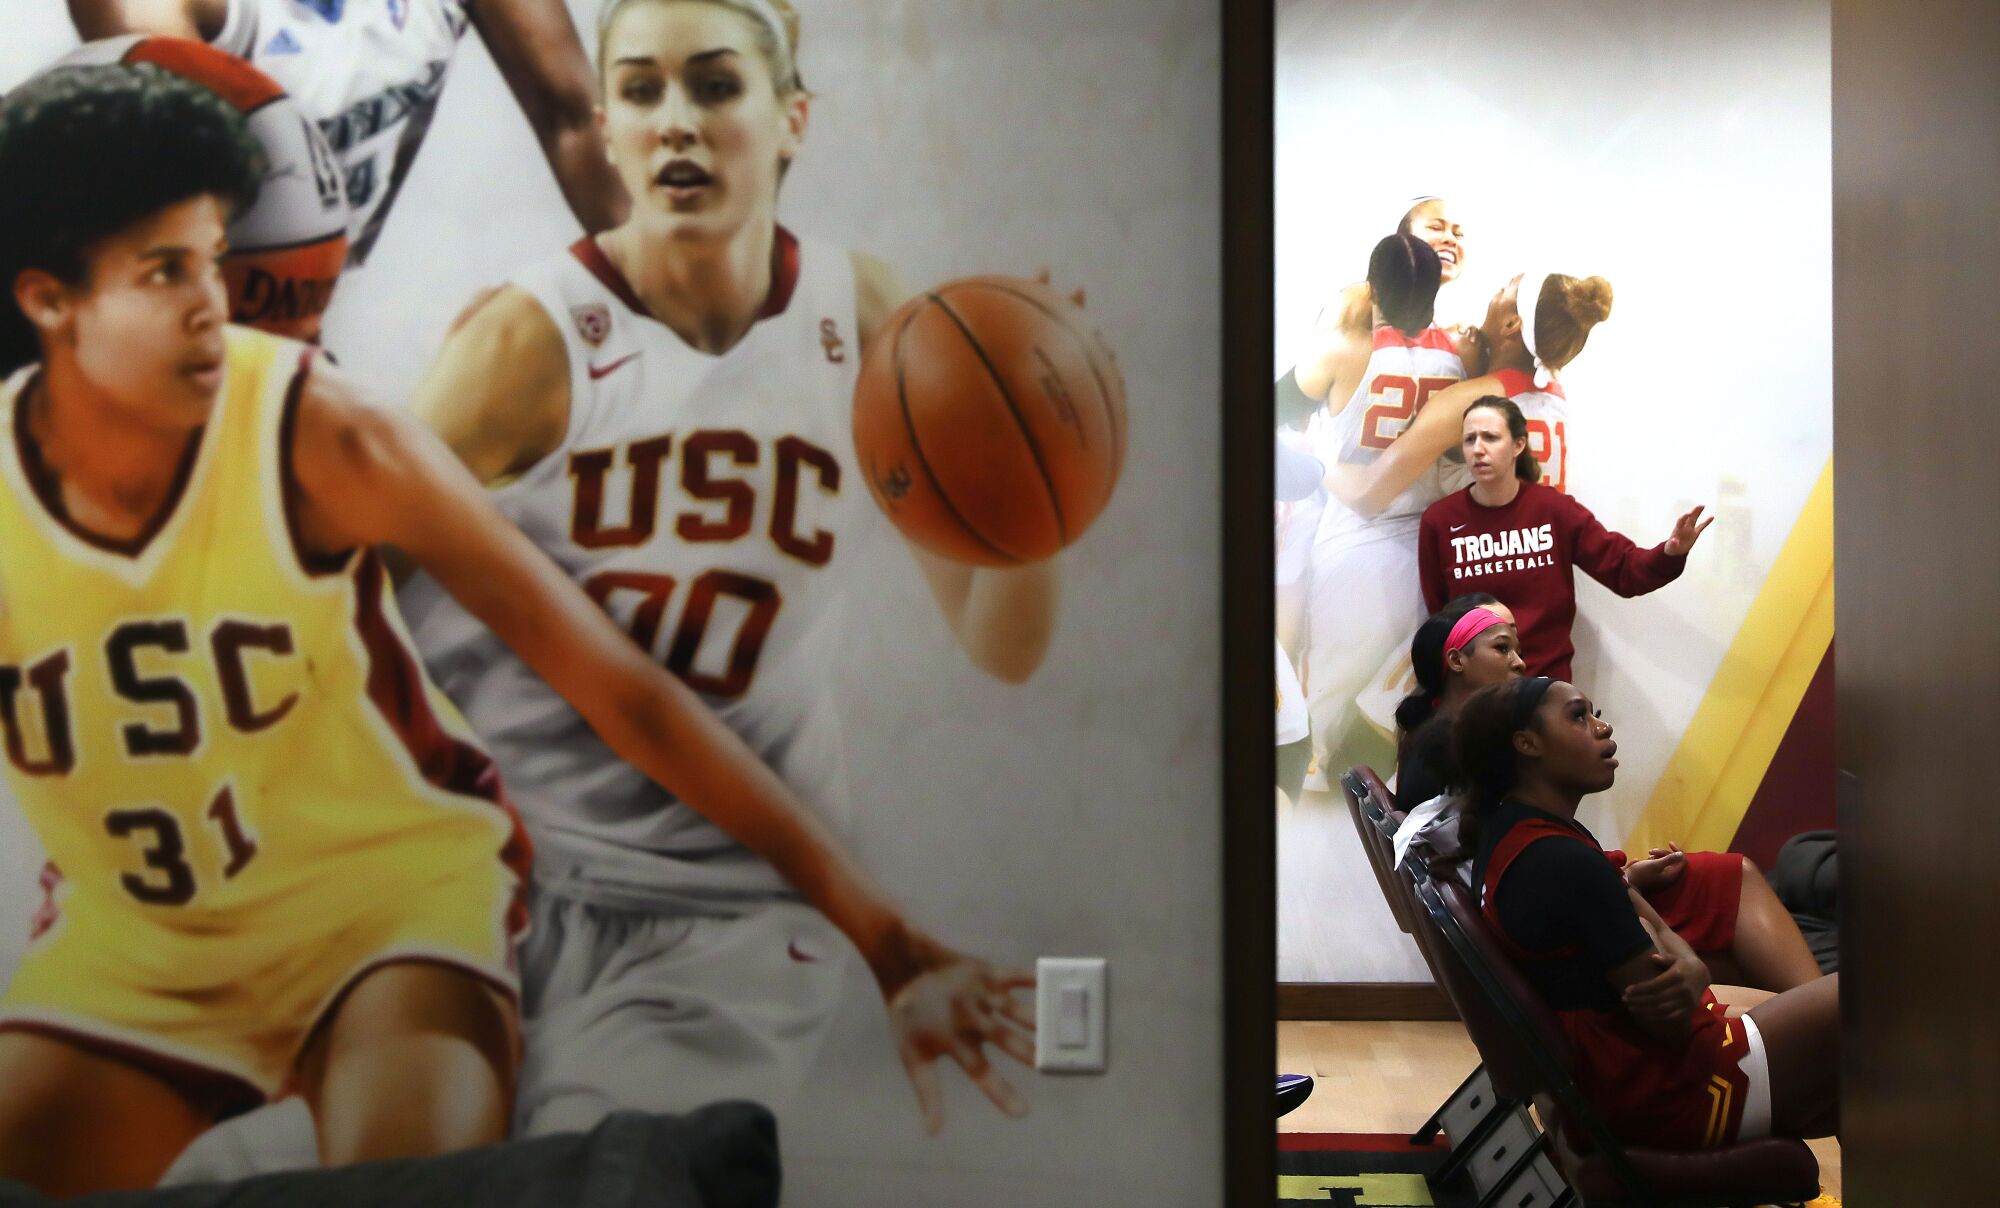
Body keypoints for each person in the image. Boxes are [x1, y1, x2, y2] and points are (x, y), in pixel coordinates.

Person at [0, 61, 1006, 1194]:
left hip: (379, 916)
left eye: (217, 260)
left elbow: (619, 683)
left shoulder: (323, 432)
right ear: (49, 299)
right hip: (144, 939)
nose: (211, 303)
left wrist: (881, 932)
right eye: (165, 272)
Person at [393, 0, 1060, 1141]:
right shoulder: (525, 342)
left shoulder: (862, 320)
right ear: (603, 127)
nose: (675, 124)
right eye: (641, 93)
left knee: (604, 1170)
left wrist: (1034, 497)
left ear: (792, 119)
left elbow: (1000, 642)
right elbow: (338, 586)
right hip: (495, 882)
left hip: (735, 907)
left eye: (712, 86)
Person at [1449, 678, 1839, 1149]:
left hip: (1619, 1081)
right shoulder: (1564, 862)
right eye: (1578, 715)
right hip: (1674, 1093)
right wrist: (1679, 956)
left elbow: (1650, 928)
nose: (1602, 725)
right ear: (1527, 743)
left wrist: (1688, 963)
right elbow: (1671, 1021)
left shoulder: (1515, 831)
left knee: (1872, 1069)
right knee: (1884, 1001)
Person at [1393, 601, 1823, 994]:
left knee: (1733, 896)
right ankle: (1828, 1026)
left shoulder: (1451, 756)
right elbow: (1545, 882)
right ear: (1526, 745)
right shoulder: (1483, 791)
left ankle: (1817, 1024)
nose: (1519, 662)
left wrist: (1625, 880)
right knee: (1735, 881)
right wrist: (1623, 885)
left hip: (1565, 911)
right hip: (1565, 941)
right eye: (1579, 717)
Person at [70, 0, 628, 272]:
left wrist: (677, 301)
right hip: (138, 318)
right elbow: (183, 217)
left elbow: (576, 119)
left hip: (284, 310)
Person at [1298, 231, 1465, 785]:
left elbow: (1283, 404)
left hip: (1352, 536)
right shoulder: (1459, 357)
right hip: (1422, 543)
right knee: (1390, 701)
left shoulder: (1346, 346)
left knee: (1323, 695)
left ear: (1373, 287)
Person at [1417, 396, 1709, 681]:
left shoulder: (1553, 510)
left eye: (1490, 437)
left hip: (1546, 690)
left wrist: (1670, 553)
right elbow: (1440, 618)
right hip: (1476, 694)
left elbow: (1624, 570)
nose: (1478, 449)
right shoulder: (1440, 521)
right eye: (1470, 439)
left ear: (1518, 444)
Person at [1276, 195, 1468, 429]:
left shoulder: (1447, 323)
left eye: (1458, 234)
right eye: (1436, 228)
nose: (1450, 239)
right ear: (1403, 239)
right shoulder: (1358, 302)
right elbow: (1299, 401)